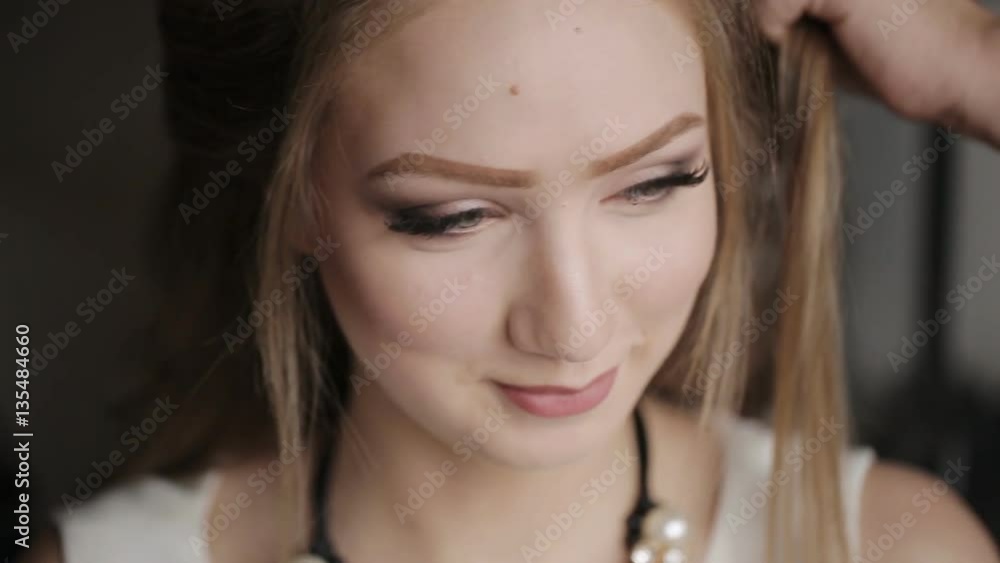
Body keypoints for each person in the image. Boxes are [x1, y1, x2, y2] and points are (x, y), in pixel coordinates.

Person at [26, 0, 1000, 562]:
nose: (572, 326)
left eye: (653, 184)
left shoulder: (896, 547)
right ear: (286, 200)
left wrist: (978, 72)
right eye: (453, 216)